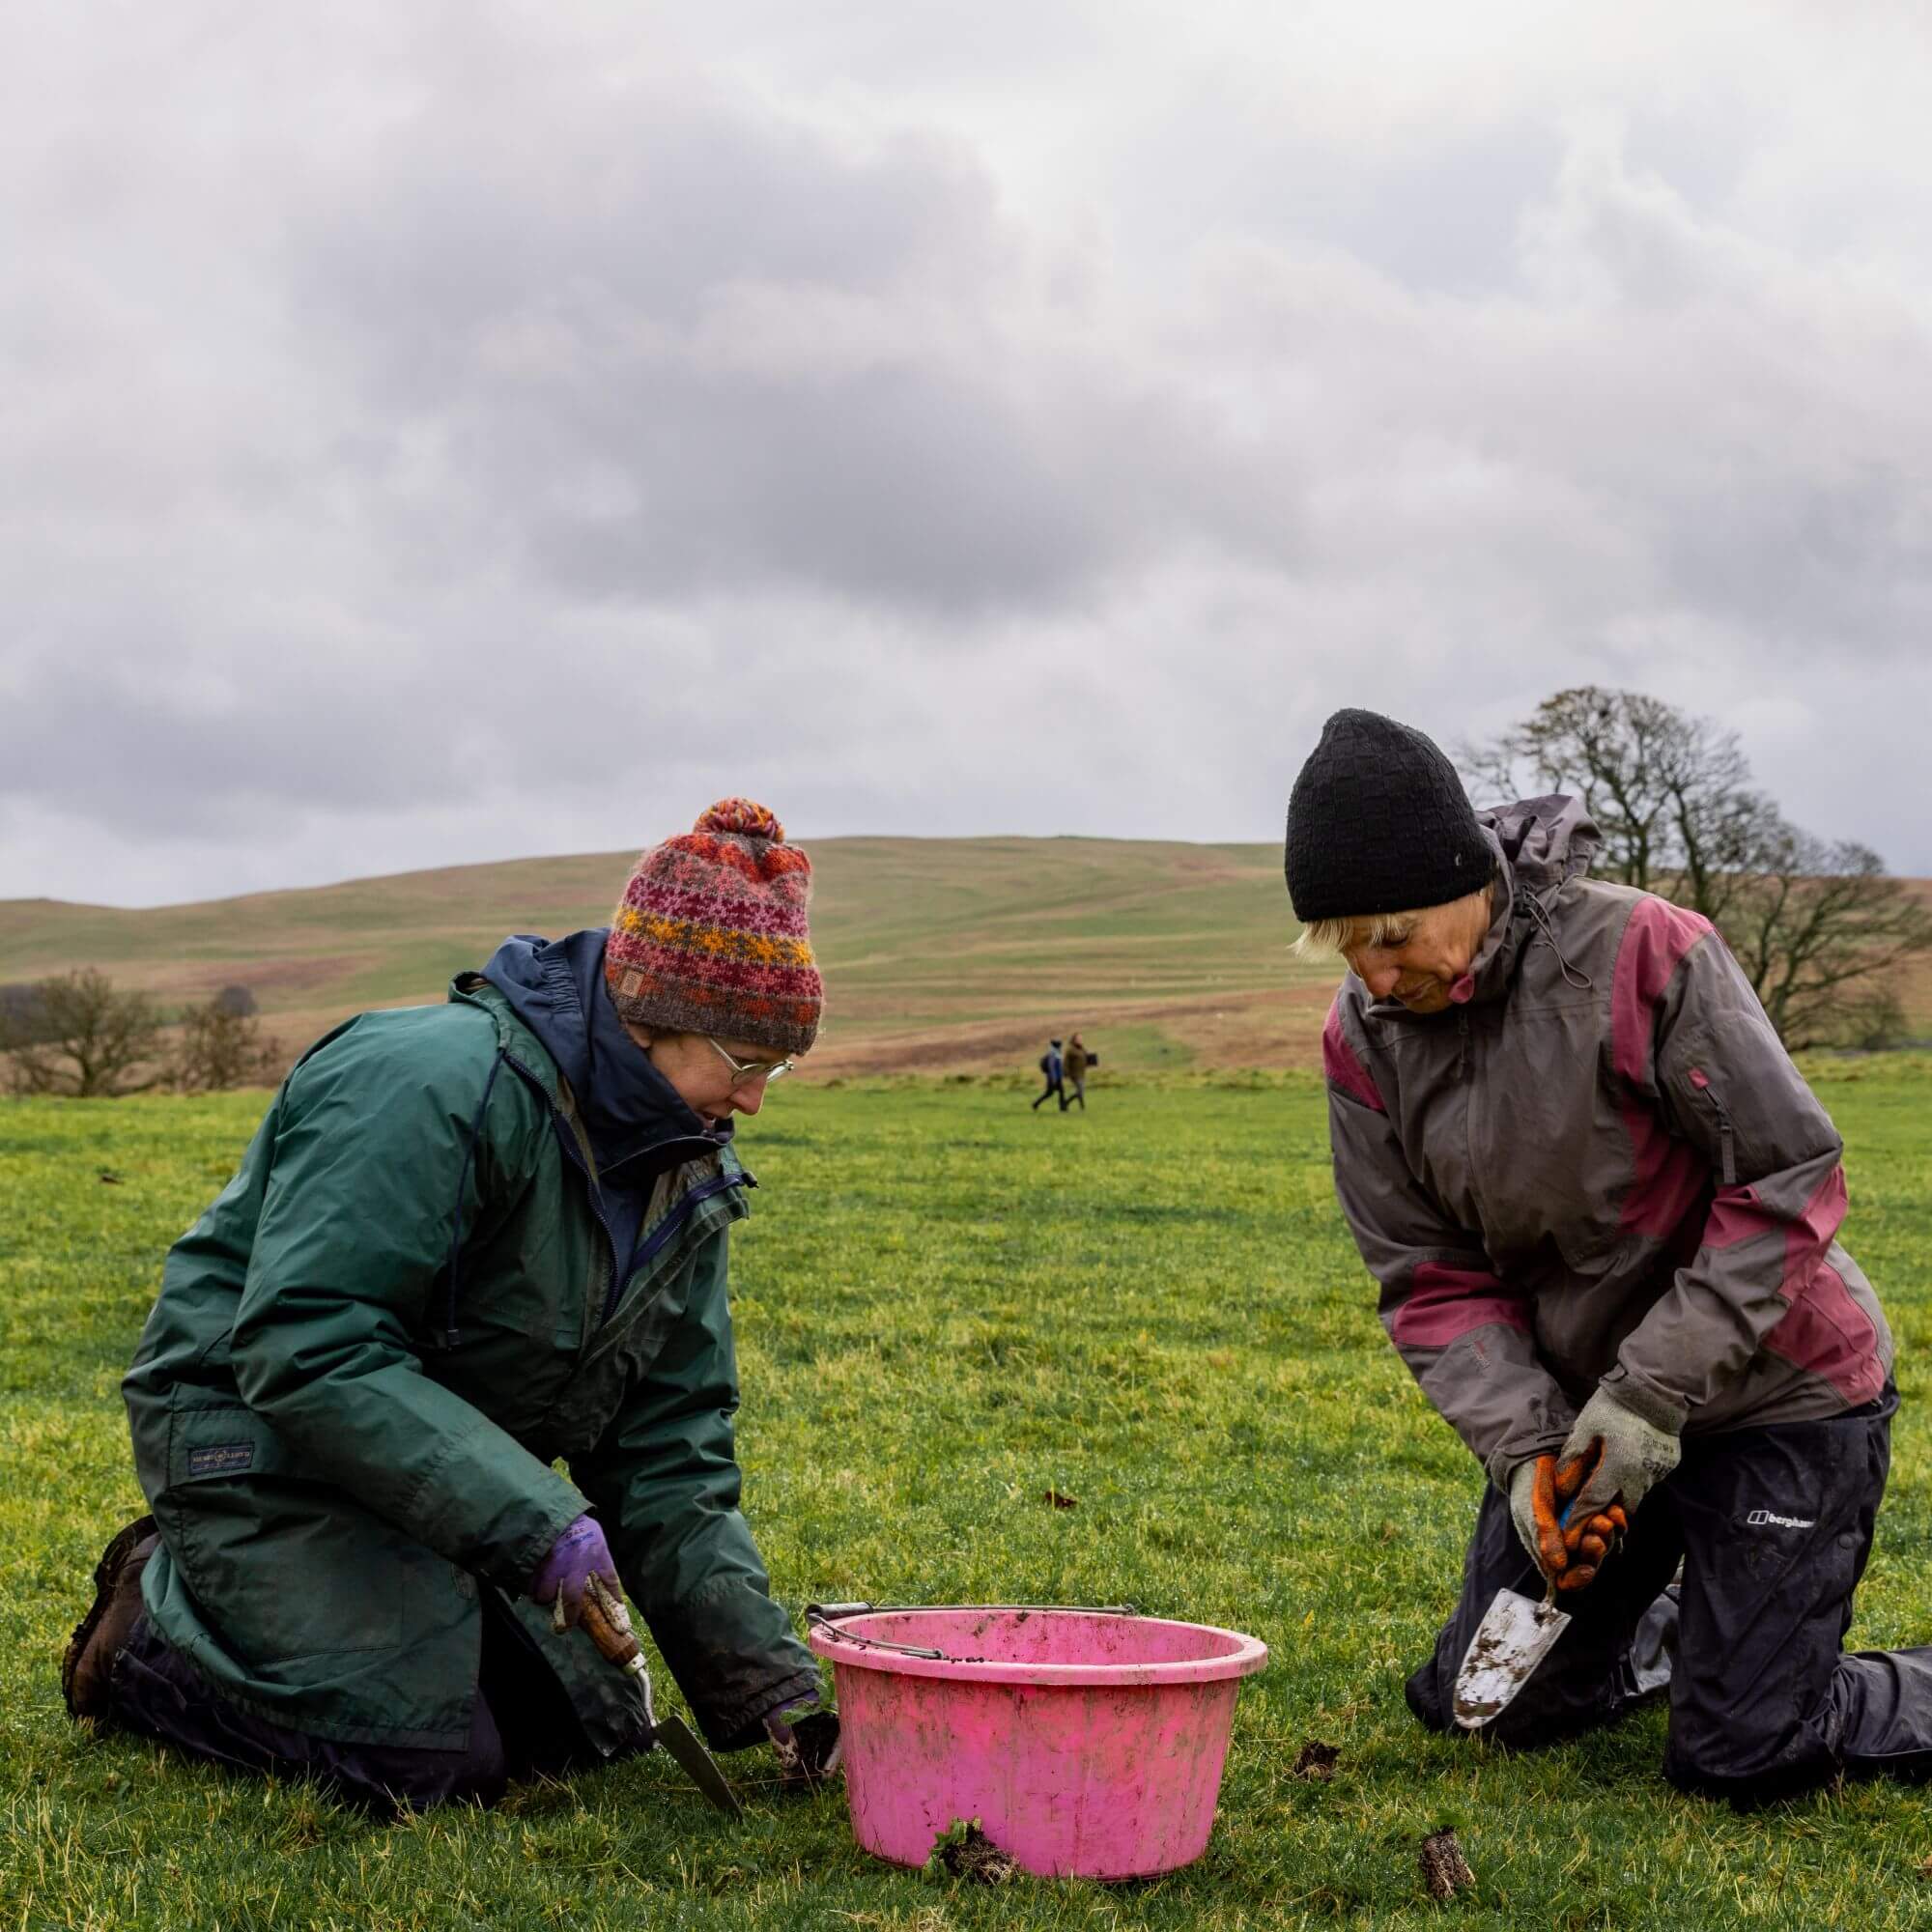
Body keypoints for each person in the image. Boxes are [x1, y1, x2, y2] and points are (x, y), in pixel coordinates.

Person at [63, 800, 841, 1812]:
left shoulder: (680, 1165)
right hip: (255, 1442)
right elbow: (306, 1344)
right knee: (421, 1759)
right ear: (653, 1013)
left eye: (778, 1065)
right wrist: (533, 1521)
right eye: (744, 1061)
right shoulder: (428, 1081)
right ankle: (150, 1634)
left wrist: (769, 1690)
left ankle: (375, 1609)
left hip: (424, 1474)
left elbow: (667, 1439)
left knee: (584, 1731)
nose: (755, 1099)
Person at [1286, 708, 1925, 1804]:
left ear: (1462, 882)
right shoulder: (1363, 1041)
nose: (1375, 977)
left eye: (1390, 937)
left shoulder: (1645, 951)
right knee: (1486, 1706)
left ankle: (1753, 1661)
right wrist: (1531, 1453)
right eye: (1346, 948)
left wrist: (1648, 1398)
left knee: (1742, 1755)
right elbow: (1428, 1276)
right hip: (1588, 1426)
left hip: (1779, 1396)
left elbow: (1786, 1179)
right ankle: (1697, 1624)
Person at [1032, 1037, 1066, 1111]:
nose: (1061, 1047)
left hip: (1057, 1077)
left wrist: (1062, 1074)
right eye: (1060, 1045)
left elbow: (1059, 1066)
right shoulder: (1053, 1054)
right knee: (1049, 1093)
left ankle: (1062, 1107)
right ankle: (1035, 1103)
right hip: (1053, 1078)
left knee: (1061, 1091)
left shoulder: (1057, 1053)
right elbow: (1051, 1067)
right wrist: (1054, 1078)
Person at [1063, 1033, 1090, 1110]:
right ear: (1074, 1040)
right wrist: (1066, 1073)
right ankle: (1066, 1102)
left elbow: (1085, 1058)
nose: (1080, 1040)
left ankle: (1081, 1106)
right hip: (1074, 1074)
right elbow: (1065, 1062)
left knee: (1080, 1091)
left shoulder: (1082, 1049)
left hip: (1082, 1073)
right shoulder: (1070, 1049)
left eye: (1081, 1039)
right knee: (1080, 1090)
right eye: (1078, 1039)